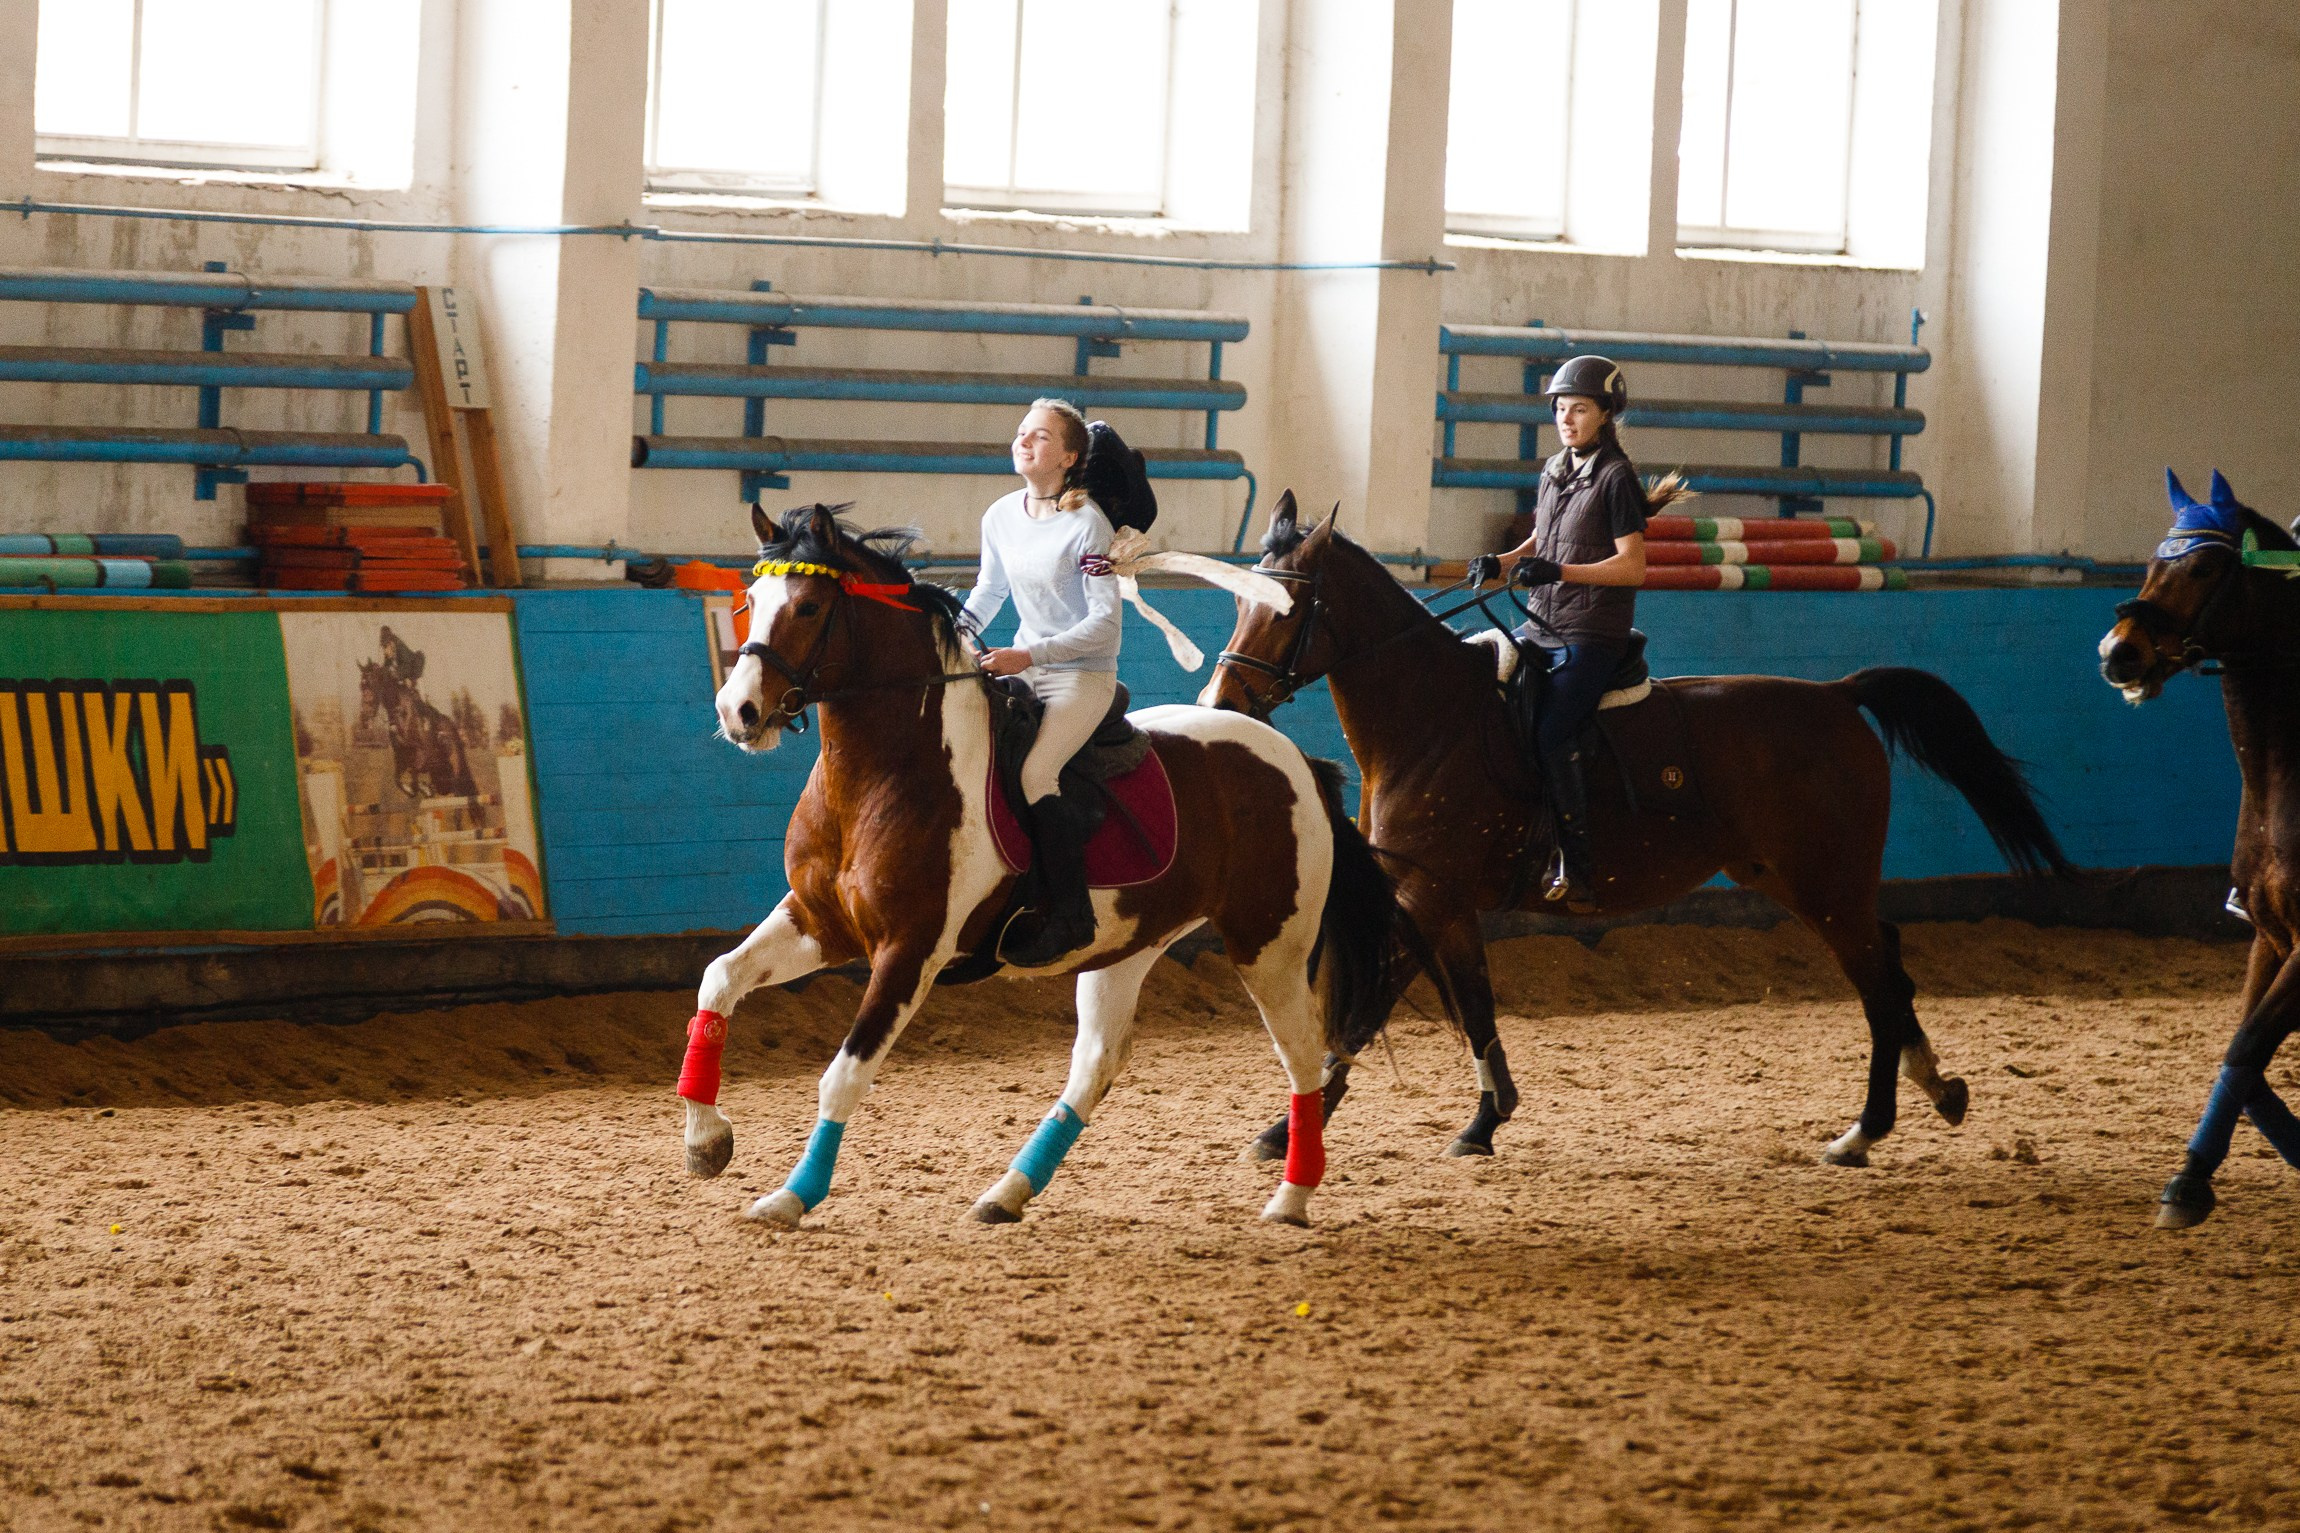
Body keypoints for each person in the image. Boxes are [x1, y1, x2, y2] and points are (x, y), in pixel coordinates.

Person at [1468, 354, 1679, 908]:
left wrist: (1561, 571)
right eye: (1561, 409)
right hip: (1541, 623)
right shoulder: (1556, 467)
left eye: (1579, 409)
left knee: (1551, 732)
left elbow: (1632, 566)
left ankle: (1578, 867)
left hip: (1592, 633)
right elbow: (1544, 537)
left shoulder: (1614, 477)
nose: (1566, 419)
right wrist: (1504, 561)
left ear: (1606, 414)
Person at [959, 397, 1124, 966]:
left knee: (1035, 772)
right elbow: (989, 590)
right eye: (1021, 433)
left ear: (1070, 457)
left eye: (1040, 437)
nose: (1023, 443)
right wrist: (954, 635)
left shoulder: (1089, 525)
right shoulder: (1000, 515)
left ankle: (1073, 914)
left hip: (1080, 676)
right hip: (1024, 666)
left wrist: (1029, 654)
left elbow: (1104, 623)